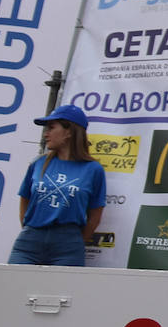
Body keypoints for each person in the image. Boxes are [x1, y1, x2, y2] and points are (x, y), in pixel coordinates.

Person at [7, 104, 105, 266]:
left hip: (68, 245)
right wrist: (30, 229)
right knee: (14, 287)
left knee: (62, 292)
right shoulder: (38, 163)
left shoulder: (93, 170)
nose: (46, 134)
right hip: (29, 242)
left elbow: (95, 215)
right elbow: (25, 199)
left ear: (69, 132)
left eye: (51, 128)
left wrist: (74, 241)